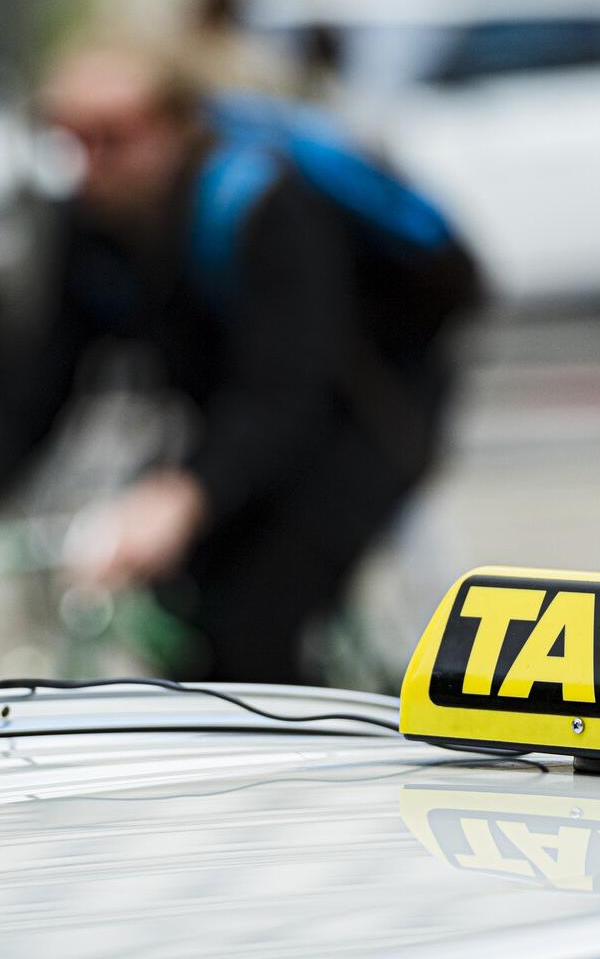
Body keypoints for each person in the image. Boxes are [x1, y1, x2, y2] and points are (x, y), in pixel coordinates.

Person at [4, 42, 478, 685]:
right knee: (187, 602)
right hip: (244, 421)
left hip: (370, 412)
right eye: (70, 139)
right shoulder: (92, 223)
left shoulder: (258, 202)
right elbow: (43, 386)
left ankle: (323, 766)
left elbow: (286, 387)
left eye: (114, 138)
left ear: (174, 128)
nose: (89, 165)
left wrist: (184, 495)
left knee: (257, 616)